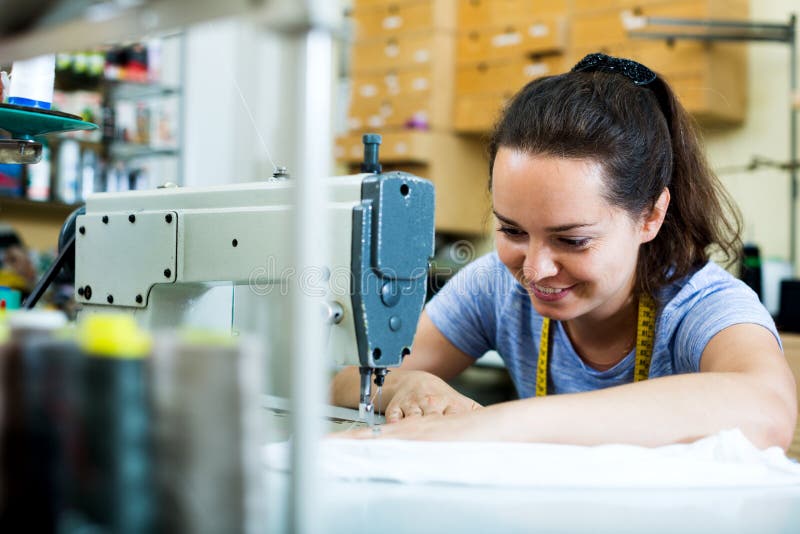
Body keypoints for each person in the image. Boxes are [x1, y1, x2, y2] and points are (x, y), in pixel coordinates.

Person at [330, 53, 797, 449]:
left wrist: (496, 423)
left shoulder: (702, 304)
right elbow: (345, 379)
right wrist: (406, 384)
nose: (534, 268)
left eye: (572, 240)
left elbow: (769, 410)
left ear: (650, 217)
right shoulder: (495, 284)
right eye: (511, 230)